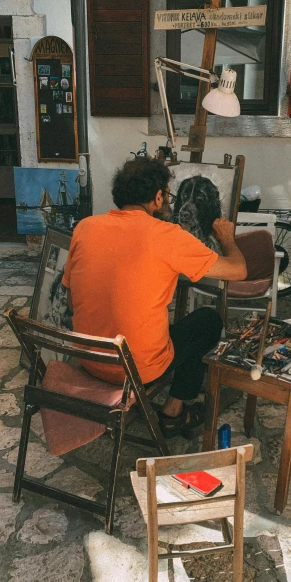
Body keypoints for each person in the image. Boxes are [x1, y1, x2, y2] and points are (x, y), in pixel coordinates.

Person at [62, 158, 247, 438]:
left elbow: (70, 301)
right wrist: (226, 238)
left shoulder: (85, 228)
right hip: (134, 370)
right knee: (208, 320)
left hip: (88, 358)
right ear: (158, 197)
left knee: (165, 326)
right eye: (169, 195)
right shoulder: (168, 236)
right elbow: (238, 270)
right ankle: (174, 412)